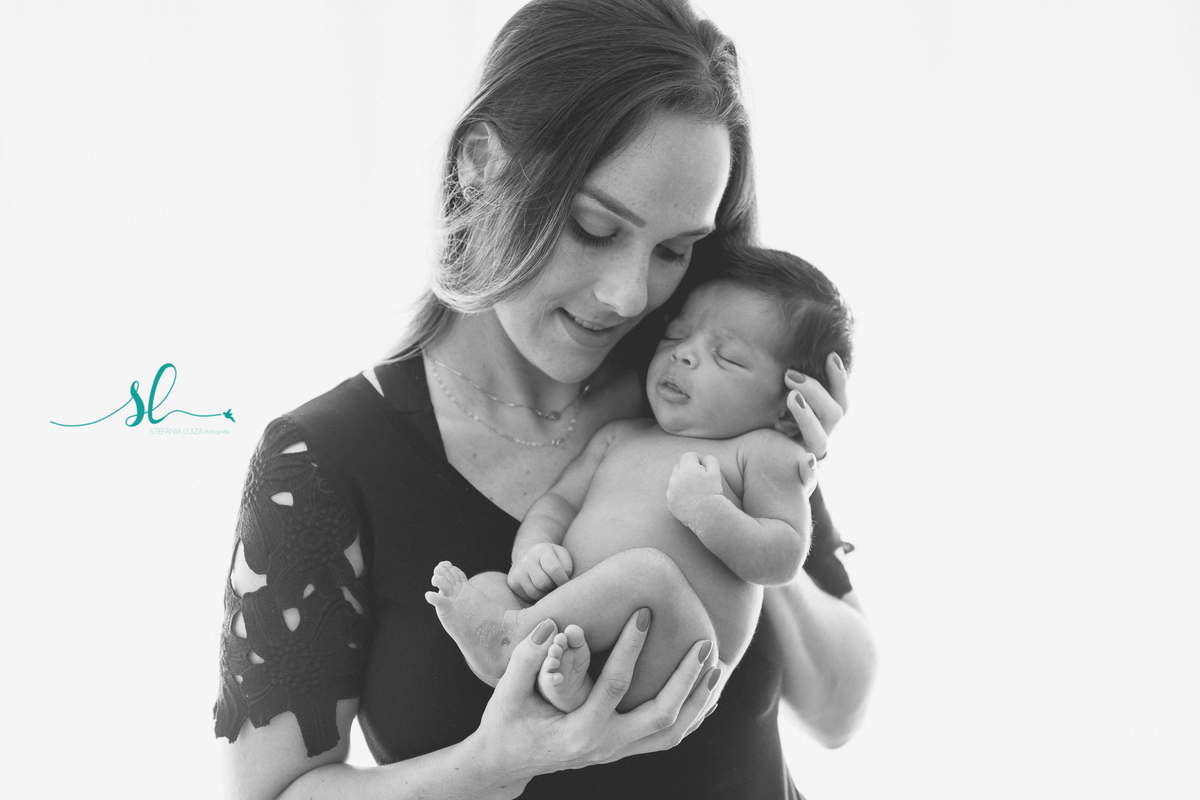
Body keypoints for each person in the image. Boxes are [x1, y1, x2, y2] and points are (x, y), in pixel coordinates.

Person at [213, 1, 876, 798]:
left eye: (674, 250)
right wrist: (496, 762)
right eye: (595, 228)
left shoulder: (703, 401)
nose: (630, 295)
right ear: (480, 164)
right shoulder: (326, 461)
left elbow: (840, 712)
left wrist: (767, 490)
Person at [426, 247, 852, 717]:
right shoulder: (621, 435)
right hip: (571, 627)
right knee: (488, 588)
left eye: (726, 356)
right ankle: (562, 682)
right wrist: (534, 550)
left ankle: (512, 642)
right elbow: (558, 503)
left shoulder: (765, 452)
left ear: (789, 407)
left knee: (649, 572)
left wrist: (710, 512)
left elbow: (785, 556)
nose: (683, 354)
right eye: (676, 335)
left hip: (674, 652)